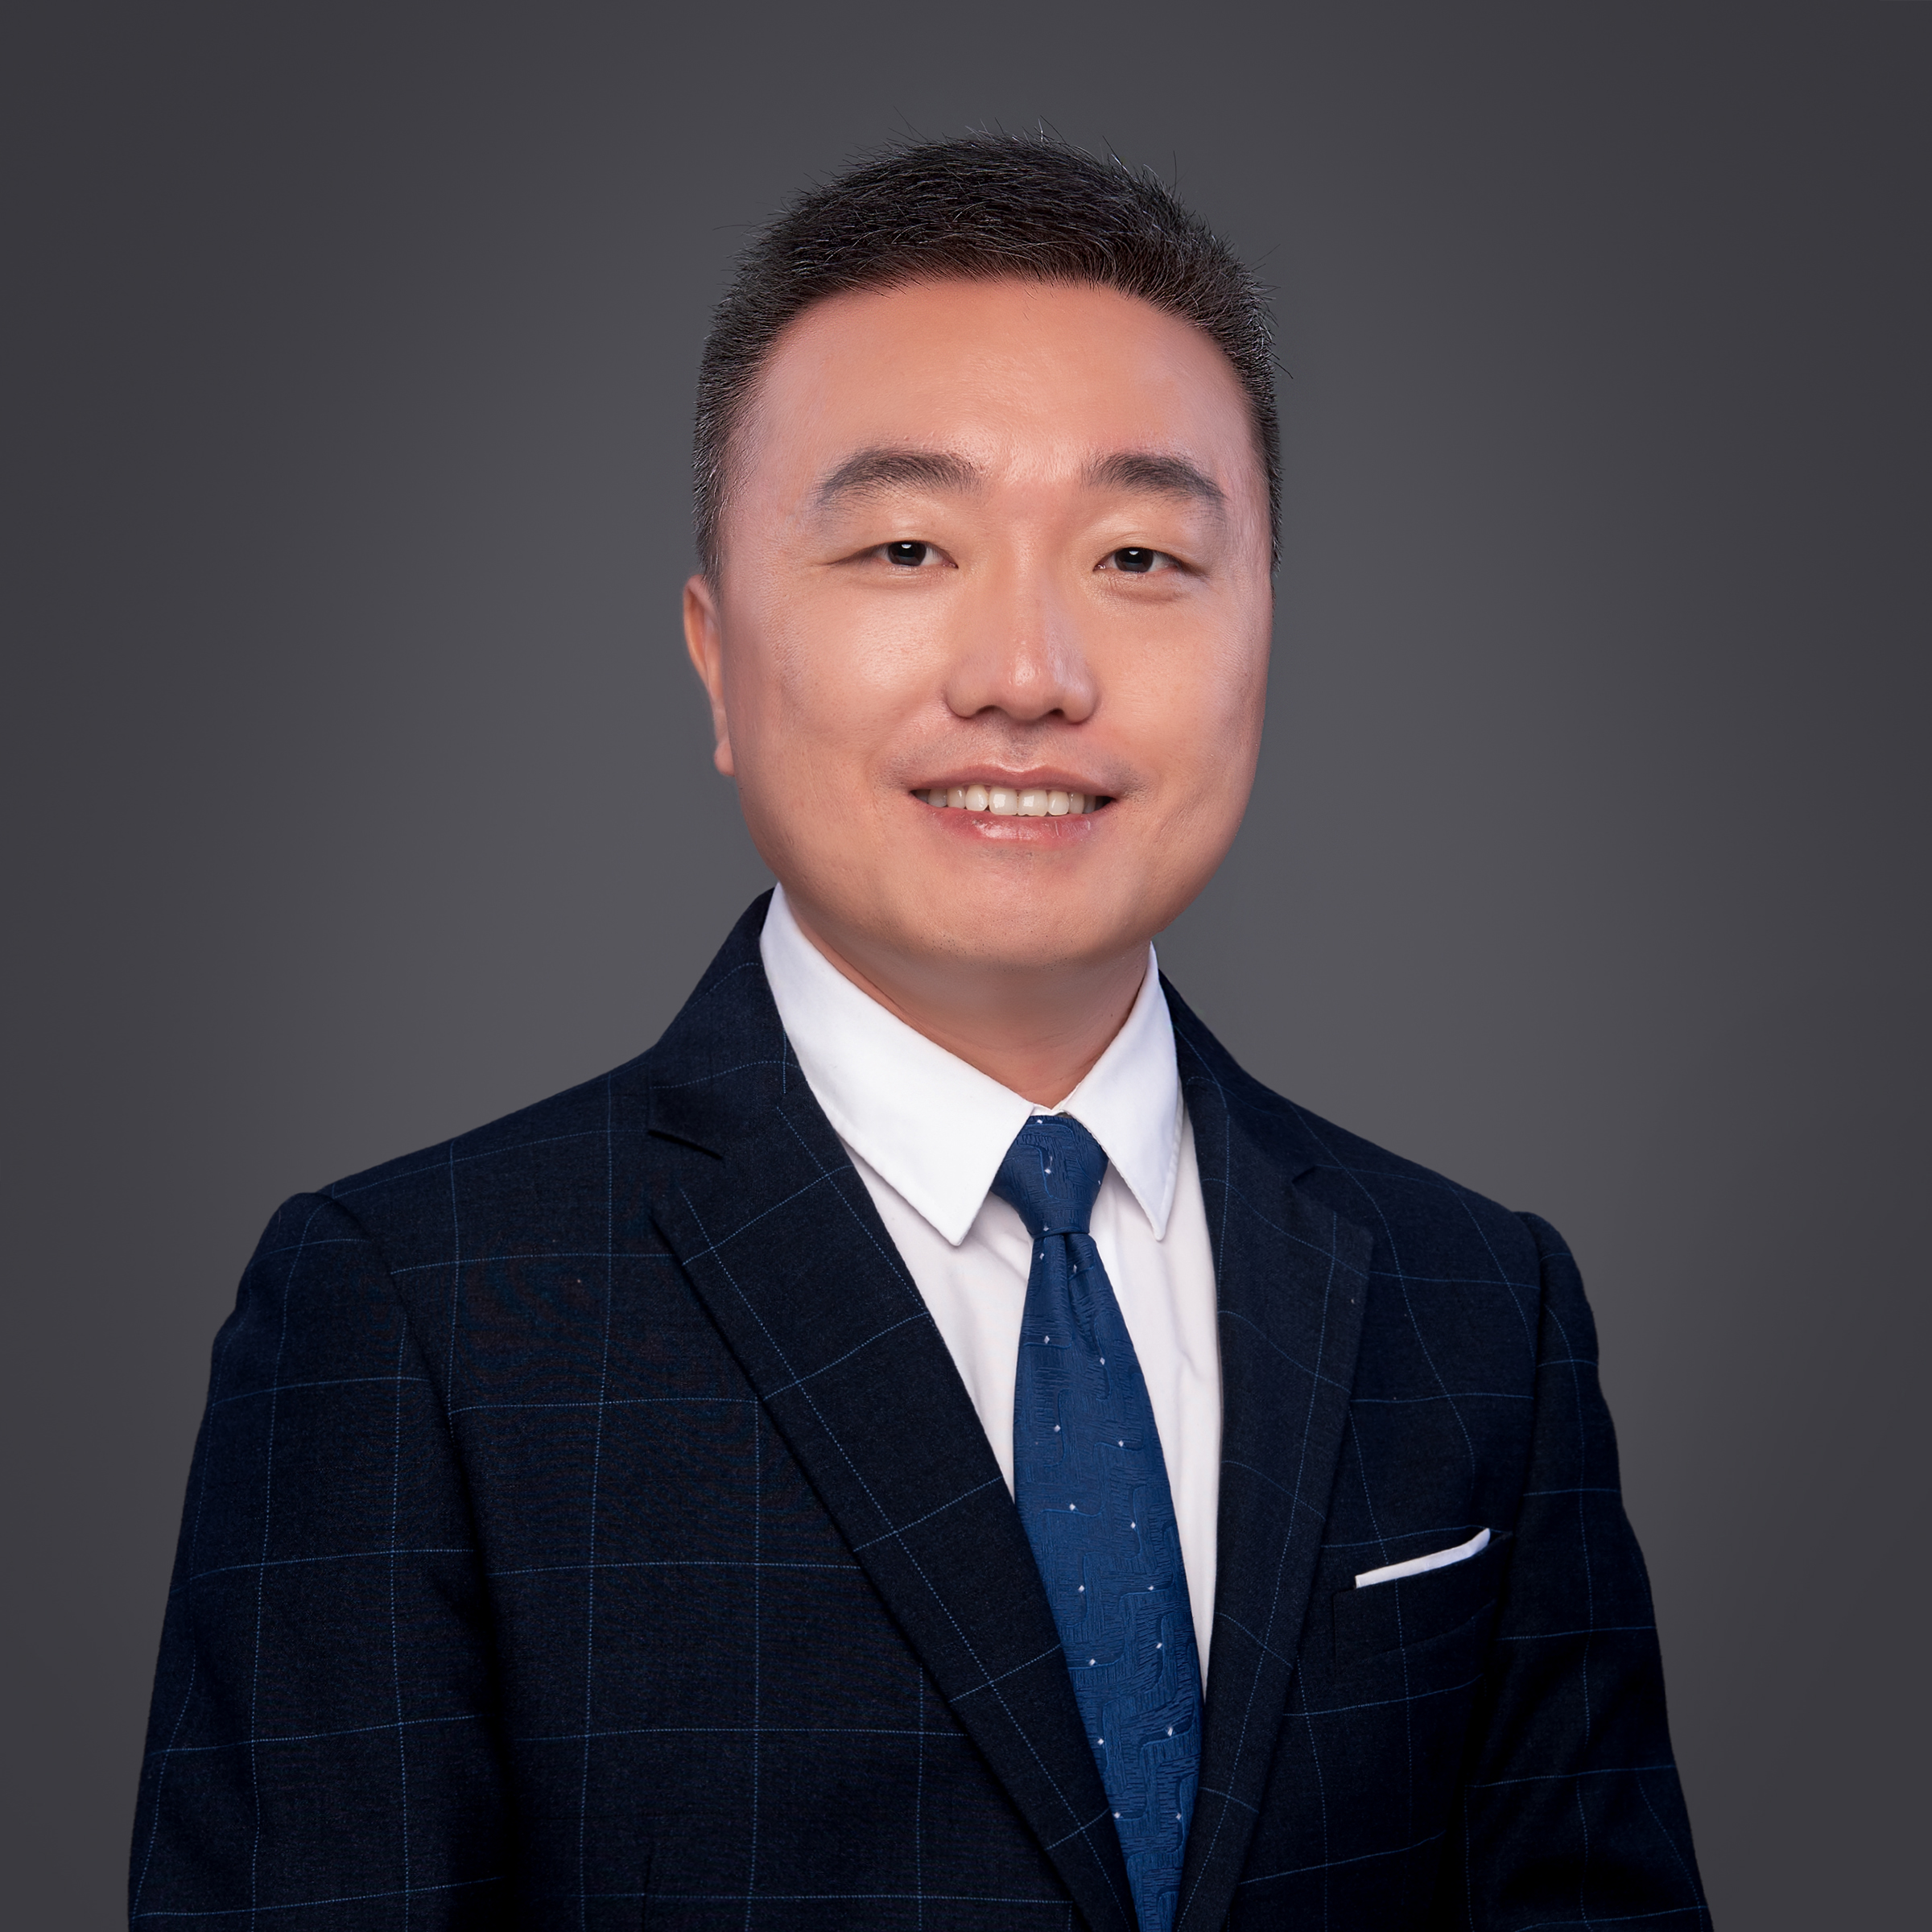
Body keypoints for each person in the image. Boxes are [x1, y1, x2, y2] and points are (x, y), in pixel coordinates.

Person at [130, 135, 1707, 1931]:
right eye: (906, 546)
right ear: (716, 659)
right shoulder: (412, 1319)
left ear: (1268, 629)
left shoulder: (1478, 1308)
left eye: (1138, 553)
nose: (1027, 673)